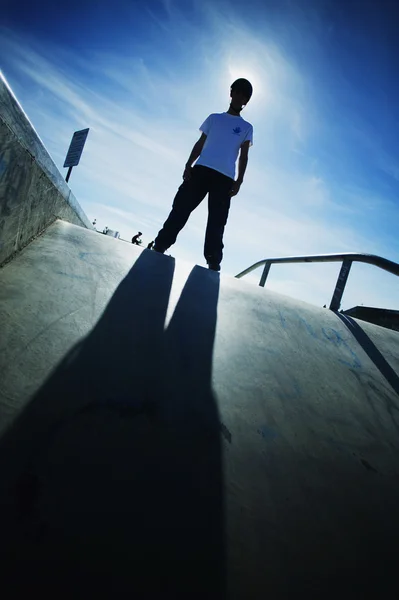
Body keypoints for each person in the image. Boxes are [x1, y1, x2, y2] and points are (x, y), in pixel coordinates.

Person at [153, 78, 253, 271]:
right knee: (180, 208)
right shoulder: (214, 118)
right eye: (237, 92)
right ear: (231, 93)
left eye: (244, 95)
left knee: (217, 222)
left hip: (224, 179)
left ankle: (213, 261)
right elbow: (200, 143)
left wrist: (239, 181)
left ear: (246, 101)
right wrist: (188, 164)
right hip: (201, 171)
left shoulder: (247, 127)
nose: (240, 97)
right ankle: (160, 245)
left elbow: (244, 156)